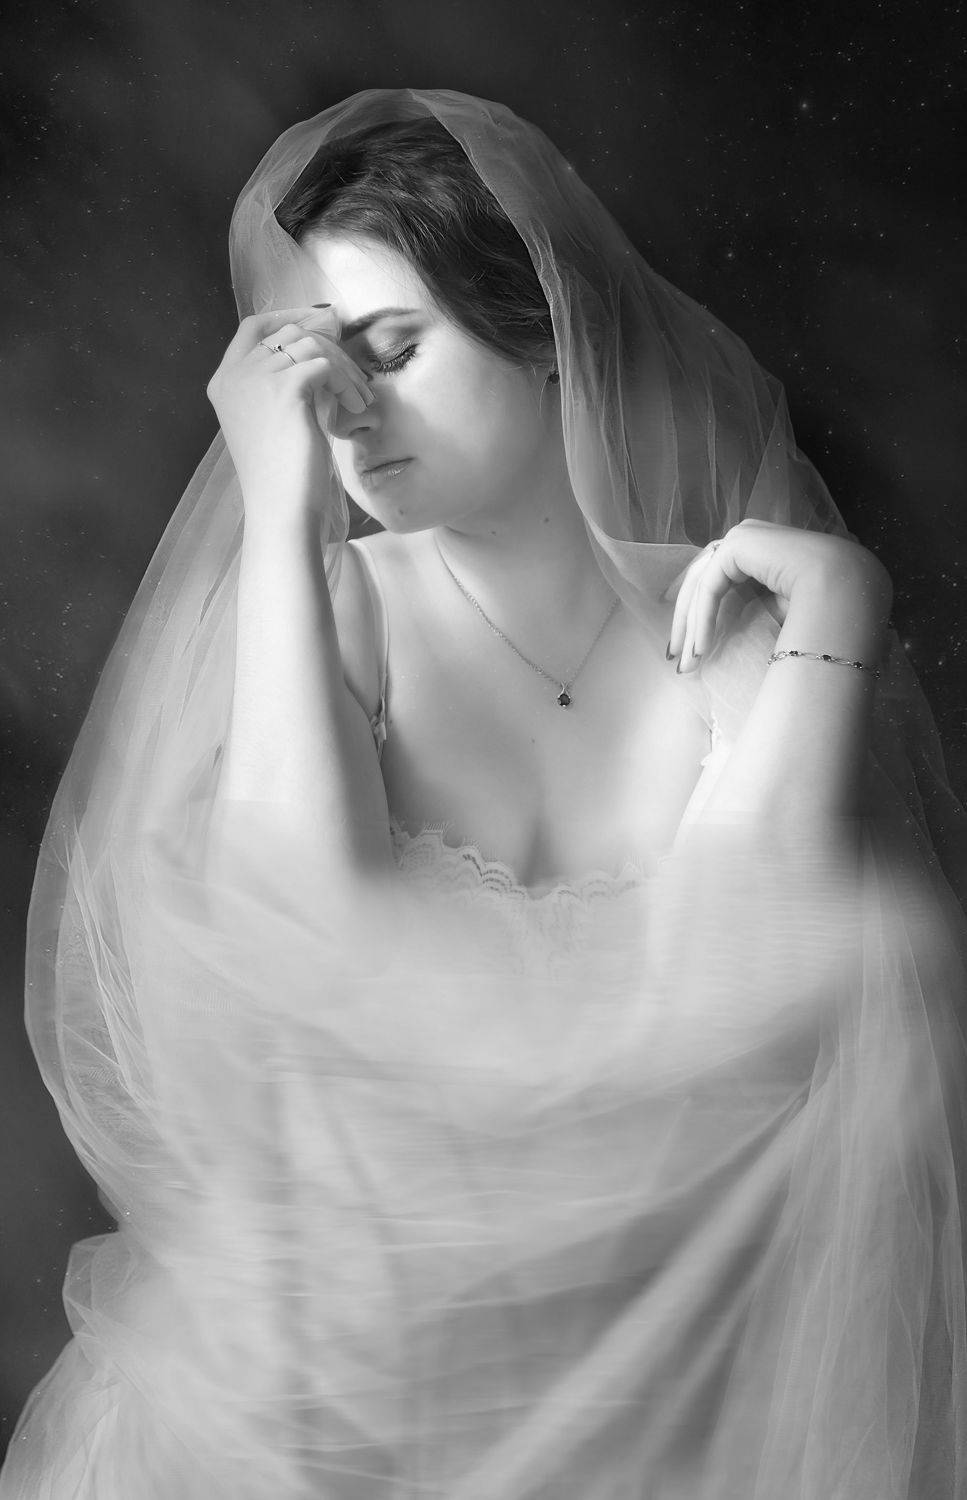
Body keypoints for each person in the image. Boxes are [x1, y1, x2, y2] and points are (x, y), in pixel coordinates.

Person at [3, 88, 966, 1499]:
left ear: (547, 330)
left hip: (681, 1387)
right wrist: (281, 513)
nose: (348, 409)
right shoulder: (333, 607)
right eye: (319, 371)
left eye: (396, 350)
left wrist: (839, 606)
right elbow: (299, 938)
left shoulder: (739, 629)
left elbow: (763, 1007)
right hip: (353, 1397)